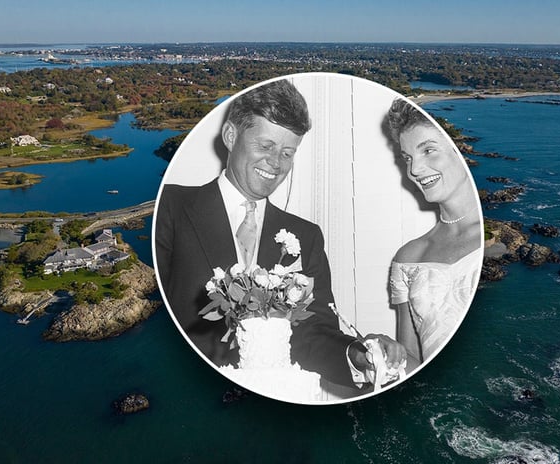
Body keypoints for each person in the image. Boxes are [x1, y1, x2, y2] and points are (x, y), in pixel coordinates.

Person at [155, 78, 405, 391]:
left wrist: (357, 354)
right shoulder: (170, 207)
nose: (276, 164)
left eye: (288, 153)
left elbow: (313, 335)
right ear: (231, 135)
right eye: (266, 146)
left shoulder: (307, 236)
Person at [385, 97, 483, 370]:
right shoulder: (408, 257)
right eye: (408, 158)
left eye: (428, 150)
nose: (414, 170)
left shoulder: (494, 244)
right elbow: (412, 360)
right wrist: (380, 354)